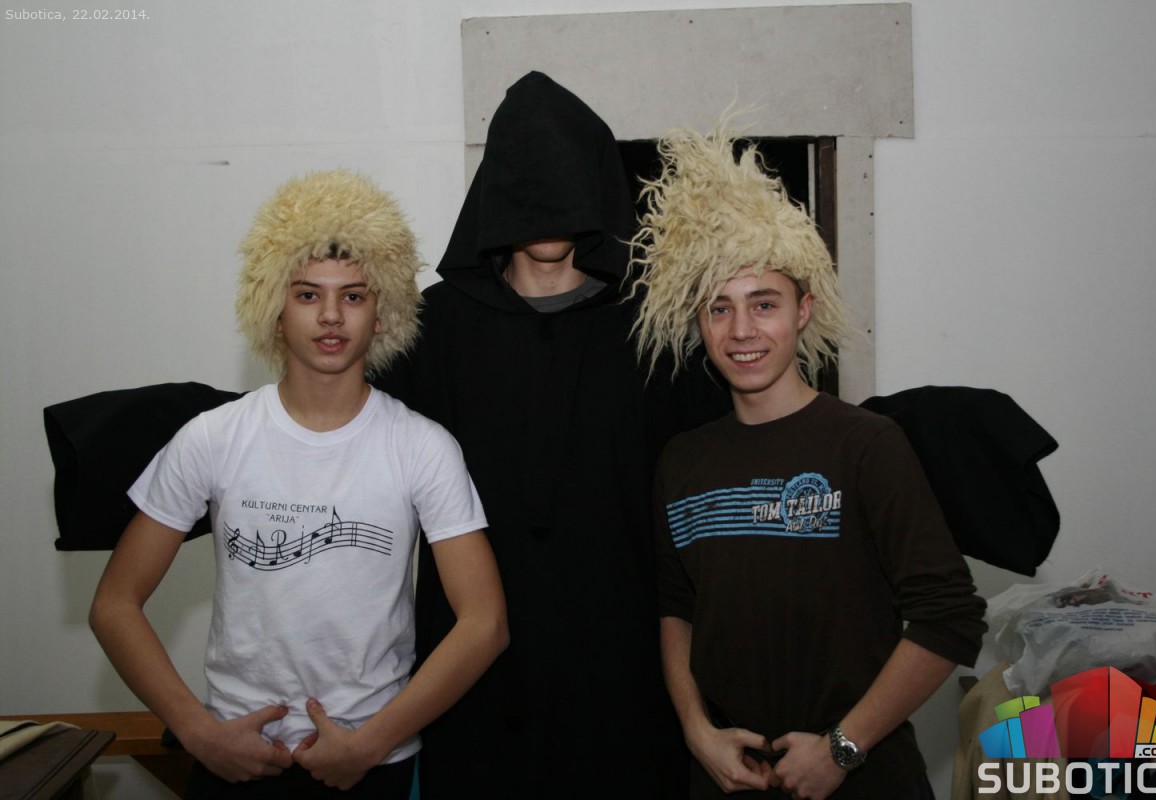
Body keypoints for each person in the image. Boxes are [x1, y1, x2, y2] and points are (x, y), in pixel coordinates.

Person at [88, 169, 508, 799]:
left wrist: (371, 743)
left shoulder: (423, 447)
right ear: (275, 312)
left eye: (354, 296)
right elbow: (114, 604)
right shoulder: (212, 438)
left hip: (371, 764)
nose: (331, 315)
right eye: (308, 294)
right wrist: (198, 733)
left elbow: (485, 623)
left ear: (383, 315)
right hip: (234, 758)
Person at [372, 72, 728, 798]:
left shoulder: (657, 334)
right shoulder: (432, 333)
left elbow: (745, 462)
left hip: (625, 677)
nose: (548, 206)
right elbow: (329, 441)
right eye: (531, 184)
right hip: (473, 678)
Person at [628, 124, 987, 799]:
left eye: (764, 304)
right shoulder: (683, 460)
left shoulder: (866, 445)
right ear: (698, 323)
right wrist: (697, 732)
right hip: (728, 777)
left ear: (803, 310)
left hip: (862, 778)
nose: (741, 331)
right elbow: (677, 611)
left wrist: (842, 748)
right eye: (719, 309)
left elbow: (950, 617)